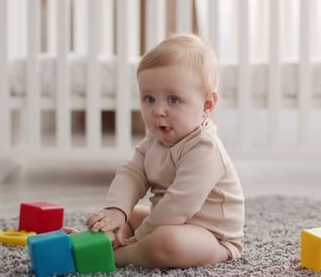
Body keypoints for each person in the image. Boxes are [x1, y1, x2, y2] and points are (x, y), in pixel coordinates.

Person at [66, 33, 245, 269]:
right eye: (149, 99)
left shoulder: (205, 149)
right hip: (168, 220)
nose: (158, 110)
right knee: (126, 215)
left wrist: (137, 238)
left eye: (173, 100)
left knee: (166, 242)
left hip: (212, 237)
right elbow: (132, 173)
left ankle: (117, 255)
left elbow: (177, 206)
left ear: (207, 105)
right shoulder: (155, 140)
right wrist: (117, 210)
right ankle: (98, 244)